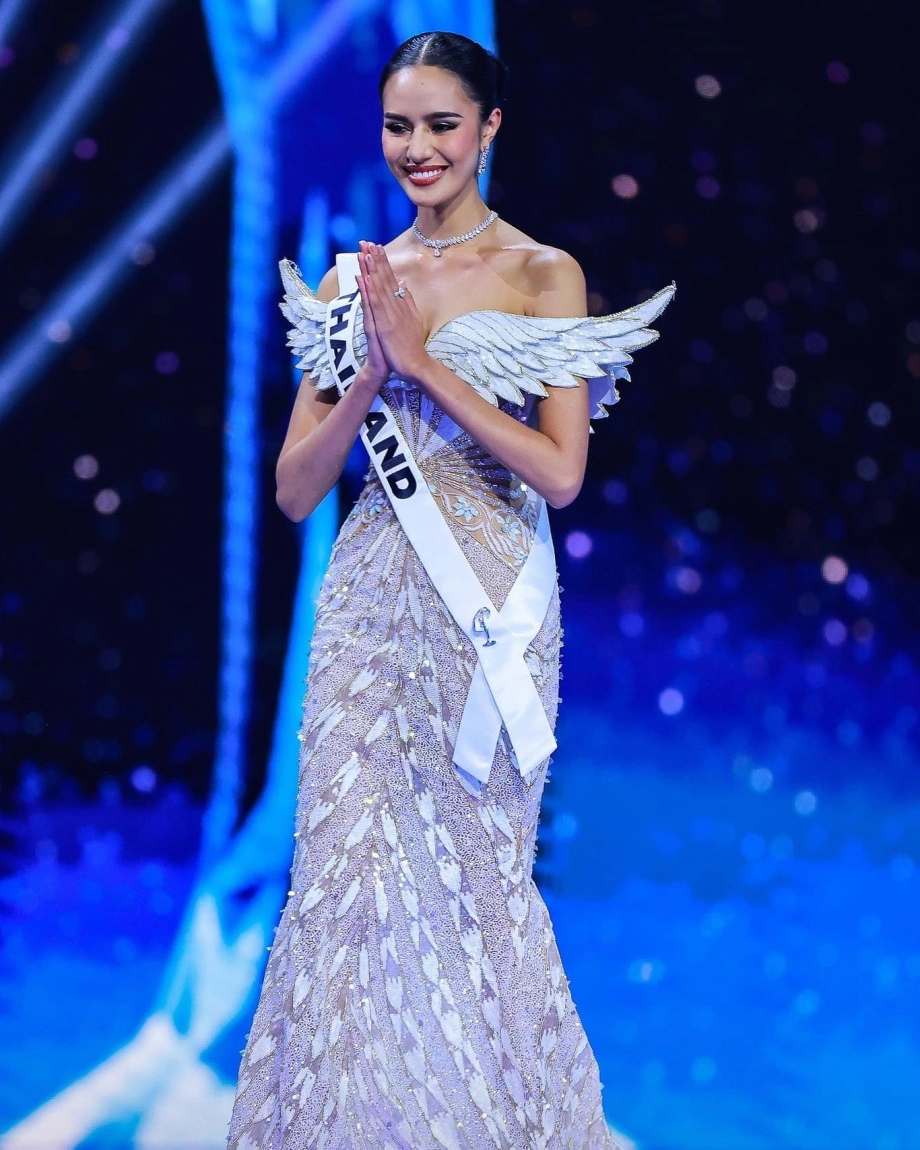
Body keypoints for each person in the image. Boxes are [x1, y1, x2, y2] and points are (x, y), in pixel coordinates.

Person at [227, 30, 673, 1150]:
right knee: (346, 869)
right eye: (397, 126)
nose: (417, 147)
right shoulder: (352, 282)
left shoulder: (540, 274)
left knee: (477, 873)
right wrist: (368, 376)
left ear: (488, 128)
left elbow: (560, 473)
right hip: (370, 609)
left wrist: (424, 367)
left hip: (490, 606)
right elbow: (293, 490)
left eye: (440, 124)